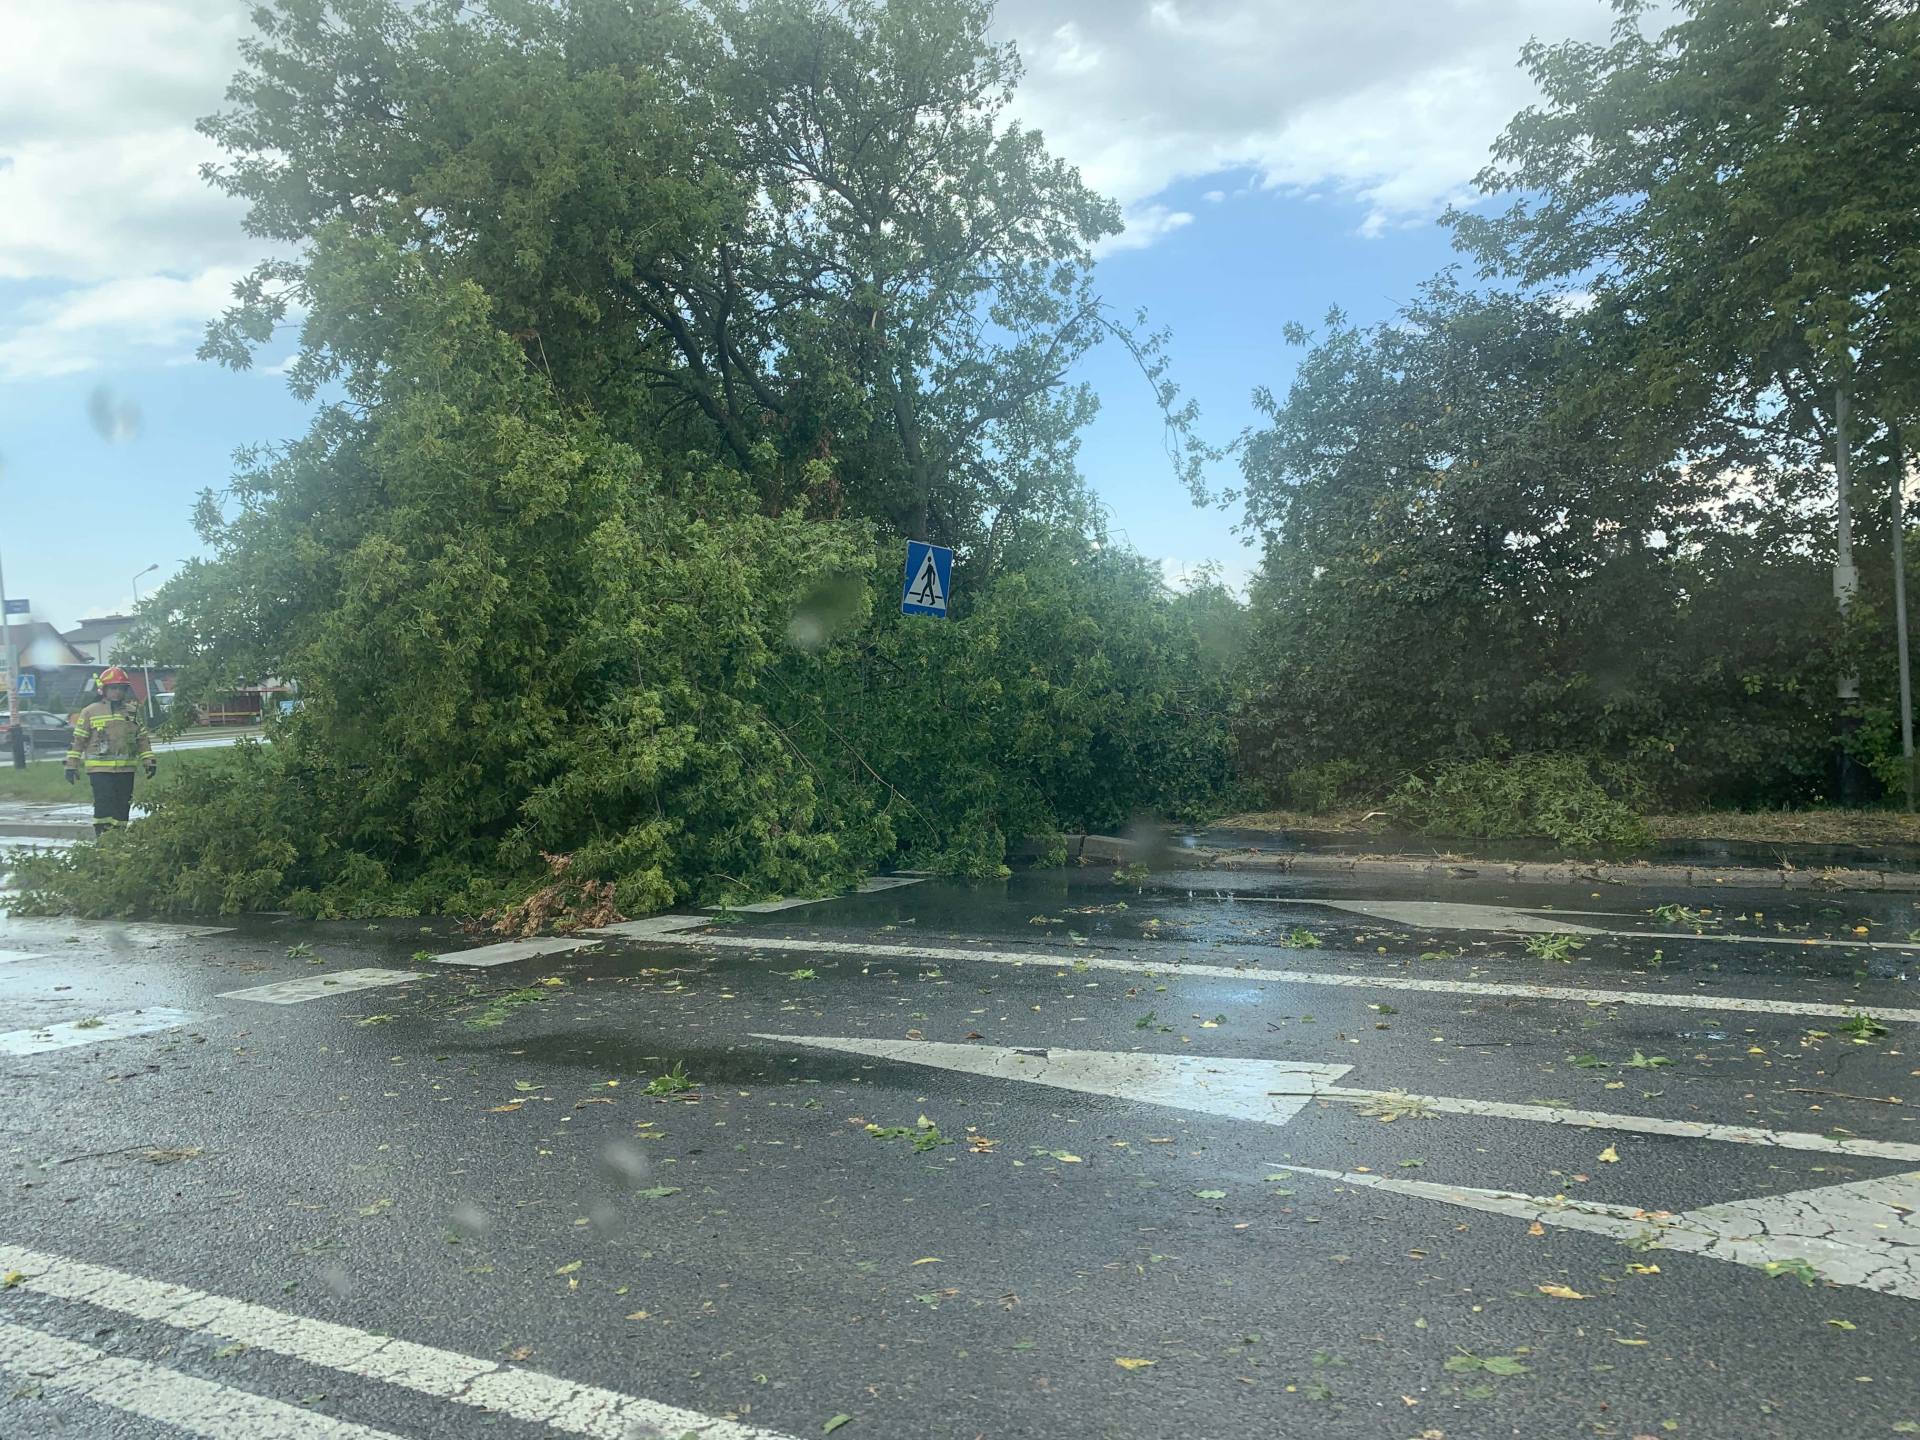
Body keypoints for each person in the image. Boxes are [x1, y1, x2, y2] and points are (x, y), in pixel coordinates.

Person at [64, 667, 156, 837]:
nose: (117, 692)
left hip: (126, 770)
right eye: (113, 688)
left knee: (123, 805)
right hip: (99, 770)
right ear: (104, 689)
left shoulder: (132, 711)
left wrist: (149, 761)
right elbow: (78, 740)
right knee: (104, 804)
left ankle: (118, 839)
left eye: (121, 688)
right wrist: (71, 766)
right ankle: (103, 838)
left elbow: (142, 738)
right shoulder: (90, 711)